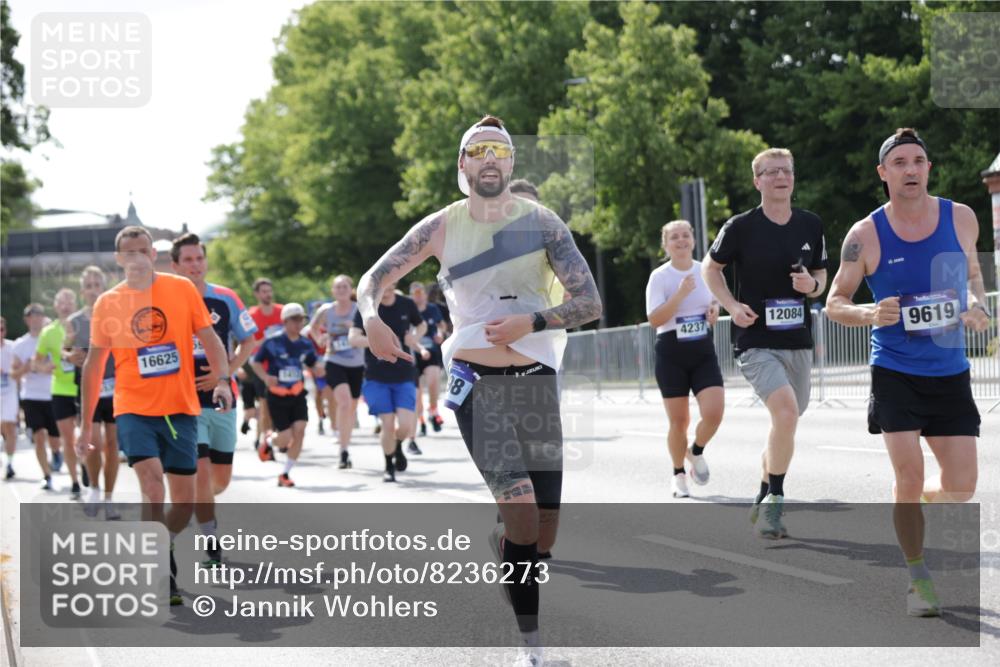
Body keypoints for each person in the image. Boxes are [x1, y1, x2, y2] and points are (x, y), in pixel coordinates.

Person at [356, 115, 601, 667]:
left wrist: (532, 323)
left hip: (535, 380)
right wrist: (371, 316)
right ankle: (532, 648)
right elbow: (375, 278)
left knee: (544, 528)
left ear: (511, 163)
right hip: (475, 381)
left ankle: (513, 548)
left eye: (499, 150)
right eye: (477, 151)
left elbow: (590, 303)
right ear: (463, 165)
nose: (489, 159)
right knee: (520, 513)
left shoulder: (542, 223)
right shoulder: (441, 226)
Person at [825, 128, 988, 617]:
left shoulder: (961, 218)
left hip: (950, 370)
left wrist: (979, 307)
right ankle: (918, 576)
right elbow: (835, 303)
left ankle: (910, 509)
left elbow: (976, 280)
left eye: (919, 160)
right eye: (900, 162)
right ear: (884, 173)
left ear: (928, 169)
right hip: (895, 371)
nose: (911, 169)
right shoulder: (864, 235)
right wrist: (871, 313)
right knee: (909, 475)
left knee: (961, 488)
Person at [76, 225, 233, 606]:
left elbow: (210, 338)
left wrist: (224, 380)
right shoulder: (108, 303)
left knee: (182, 503)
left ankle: (161, 542)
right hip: (133, 409)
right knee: (151, 486)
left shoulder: (180, 289)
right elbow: (95, 365)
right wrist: (85, 426)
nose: (137, 258)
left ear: (153, 253)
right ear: (119, 259)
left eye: (143, 250)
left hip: (180, 408)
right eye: (129, 253)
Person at [703, 147, 827, 539]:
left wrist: (813, 286)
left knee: (786, 422)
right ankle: (776, 501)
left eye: (786, 170)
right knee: (786, 414)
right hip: (755, 337)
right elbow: (711, 267)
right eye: (771, 172)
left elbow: (822, 275)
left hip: (797, 339)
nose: (780, 177)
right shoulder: (741, 226)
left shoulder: (811, 224)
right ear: (757, 181)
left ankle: (760, 495)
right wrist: (731, 306)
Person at [171, 233, 257, 563]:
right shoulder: (165, 299)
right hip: (184, 402)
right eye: (188, 260)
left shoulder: (226, 298)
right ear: (176, 265)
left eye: (199, 258)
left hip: (222, 399)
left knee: (219, 481)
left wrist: (225, 373)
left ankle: (202, 508)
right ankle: (210, 539)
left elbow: (248, 341)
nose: (195, 265)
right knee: (202, 474)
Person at [646, 220, 724, 499]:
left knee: (714, 413)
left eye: (685, 235)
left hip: (702, 350)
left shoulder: (705, 270)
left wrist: (714, 309)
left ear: (693, 239)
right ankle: (678, 473)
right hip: (671, 353)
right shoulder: (660, 276)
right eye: (674, 237)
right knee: (679, 422)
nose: (681, 240)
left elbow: (716, 300)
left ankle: (696, 451)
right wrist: (680, 294)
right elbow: (655, 319)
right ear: (665, 245)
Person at [348, 283, 424, 482]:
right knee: (388, 424)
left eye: (390, 284)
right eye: (382, 285)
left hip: (404, 373)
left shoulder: (406, 304)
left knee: (406, 426)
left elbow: (421, 324)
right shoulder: (367, 308)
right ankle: (388, 465)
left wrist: (415, 337)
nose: (386, 288)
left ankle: (398, 446)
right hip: (376, 375)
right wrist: (376, 341)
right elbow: (353, 338)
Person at [65, 266, 121, 518]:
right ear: (82, 291)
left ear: (103, 286)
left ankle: (109, 498)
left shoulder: (116, 314)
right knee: (94, 444)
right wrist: (71, 356)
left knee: (112, 445)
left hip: (116, 387)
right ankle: (95, 490)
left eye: (96, 284)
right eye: (87, 285)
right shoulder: (74, 320)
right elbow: (64, 352)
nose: (92, 289)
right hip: (89, 389)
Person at [252, 303, 319, 487]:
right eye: (295, 319)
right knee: (285, 438)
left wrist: (319, 369)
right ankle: (268, 440)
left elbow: (313, 363)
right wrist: (266, 377)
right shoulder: (272, 341)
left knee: (300, 430)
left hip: (297, 394)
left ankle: (285, 473)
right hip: (277, 396)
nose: (299, 323)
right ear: (285, 321)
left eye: (301, 319)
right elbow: (255, 362)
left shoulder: (306, 343)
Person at [310, 275, 366, 470]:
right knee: (343, 401)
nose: (341, 290)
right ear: (333, 290)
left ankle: (345, 444)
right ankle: (342, 450)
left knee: (351, 407)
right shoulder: (326, 310)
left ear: (350, 289)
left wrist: (357, 331)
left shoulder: (359, 309)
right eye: (338, 287)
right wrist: (320, 339)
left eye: (345, 286)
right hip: (333, 361)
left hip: (357, 363)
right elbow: (313, 327)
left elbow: (371, 331)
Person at [34, 288, 83, 498]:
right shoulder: (48, 332)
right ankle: (75, 482)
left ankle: (88, 466)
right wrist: (46, 368)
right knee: (68, 438)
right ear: (55, 306)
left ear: (75, 303)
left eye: (69, 301)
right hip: (60, 389)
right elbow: (36, 362)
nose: (65, 305)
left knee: (86, 435)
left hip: (83, 387)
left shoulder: (84, 325)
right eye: (61, 302)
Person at [11, 304, 60, 489]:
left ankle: (56, 453)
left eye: (40, 314)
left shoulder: (52, 339)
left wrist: (47, 367)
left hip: (53, 394)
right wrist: (28, 367)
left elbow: (62, 362)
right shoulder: (20, 345)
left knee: (55, 440)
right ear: (27, 319)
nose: (37, 318)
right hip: (31, 397)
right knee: (39, 436)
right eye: (33, 315)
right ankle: (47, 475)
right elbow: (13, 374)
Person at [246, 278, 283, 451]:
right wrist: (266, 339)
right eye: (263, 291)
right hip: (261, 365)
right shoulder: (251, 315)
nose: (267, 294)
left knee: (283, 402)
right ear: (257, 294)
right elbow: (249, 343)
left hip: (282, 365)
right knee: (265, 403)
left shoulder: (282, 312)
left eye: (269, 290)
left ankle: (279, 435)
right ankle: (263, 437)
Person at [409, 281, 448, 445]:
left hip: (431, 350)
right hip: (412, 352)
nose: (418, 296)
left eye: (420, 293)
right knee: (416, 392)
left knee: (433, 381)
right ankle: (422, 421)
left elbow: (441, 325)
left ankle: (433, 410)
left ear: (424, 294)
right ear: (412, 295)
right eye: (415, 293)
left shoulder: (432, 309)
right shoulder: (407, 309)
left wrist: (440, 334)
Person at [1, 317, 17, 480]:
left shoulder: (12, 347)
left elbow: (20, 369)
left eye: (2, 329)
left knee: (10, 428)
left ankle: (10, 463)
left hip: (9, 393)